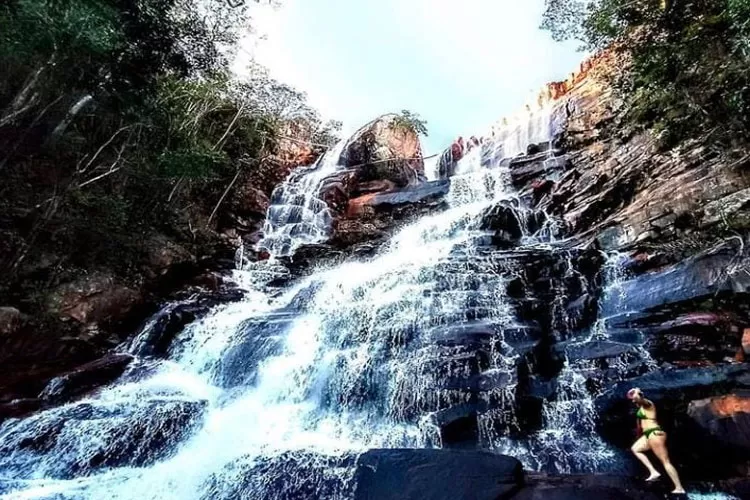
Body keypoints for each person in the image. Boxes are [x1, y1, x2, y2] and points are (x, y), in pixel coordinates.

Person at [627, 387, 686, 495]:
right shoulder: (641, 409)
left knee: (665, 461)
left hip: (655, 433)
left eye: (634, 399)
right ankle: (653, 472)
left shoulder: (648, 404)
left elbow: (637, 398)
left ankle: (679, 487)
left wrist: (636, 391)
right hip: (648, 435)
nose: (632, 401)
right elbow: (639, 425)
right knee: (635, 449)